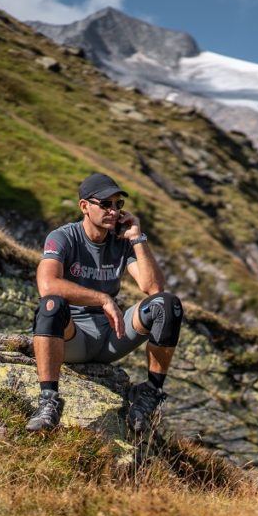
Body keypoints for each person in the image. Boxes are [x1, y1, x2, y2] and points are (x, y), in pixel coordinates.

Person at [27, 171, 183, 433]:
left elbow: (153, 287)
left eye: (118, 205)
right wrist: (102, 298)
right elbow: (47, 285)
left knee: (167, 305)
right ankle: (48, 402)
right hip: (73, 339)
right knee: (51, 305)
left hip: (112, 337)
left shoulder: (121, 242)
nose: (113, 211)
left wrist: (137, 238)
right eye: (105, 204)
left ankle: (150, 392)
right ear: (84, 206)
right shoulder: (63, 237)